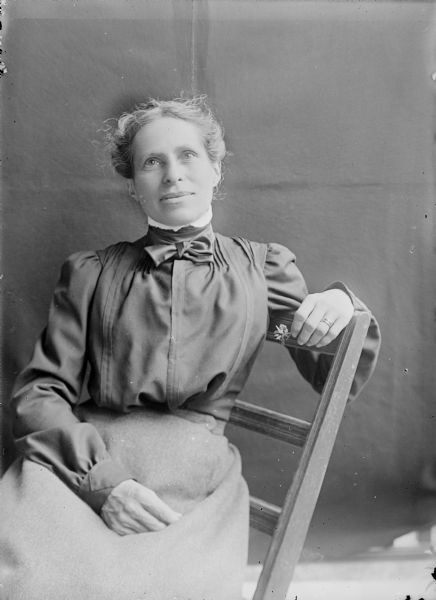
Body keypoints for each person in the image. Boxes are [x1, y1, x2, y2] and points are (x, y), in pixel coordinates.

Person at [0, 96, 380, 599]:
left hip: (194, 478)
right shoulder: (91, 273)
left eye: (188, 156)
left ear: (216, 169)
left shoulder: (264, 270)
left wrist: (341, 306)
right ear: (133, 184)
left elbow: (333, 372)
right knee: (29, 578)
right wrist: (104, 482)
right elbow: (38, 394)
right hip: (81, 462)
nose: (172, 174)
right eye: (151, 162)